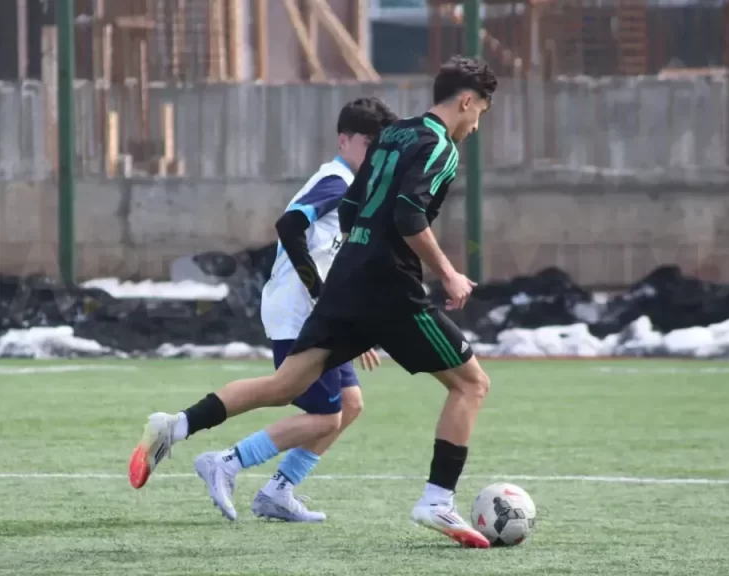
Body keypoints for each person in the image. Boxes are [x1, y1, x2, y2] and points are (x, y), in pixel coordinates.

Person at [129, 55, 497, 548]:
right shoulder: (440, 147)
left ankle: (175, 427)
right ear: (467, 101)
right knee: (471, 385)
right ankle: (437, 500)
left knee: (288, 385)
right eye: (481, 113)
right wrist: (449, 274)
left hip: (346, 283)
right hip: (390, 287)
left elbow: (350, 207)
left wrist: (356, 268)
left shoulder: (394, 135)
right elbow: (410, 215)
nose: (476, 125)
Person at [186, 97, 397, 523]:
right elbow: (288, 226)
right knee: (321, 415)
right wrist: (321, 295)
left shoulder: (354, 188)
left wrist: (351, 319)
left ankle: (278, 492)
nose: (375, 154)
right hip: (299, 315)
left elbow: (334, 258)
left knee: (350, 404)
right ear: (344, 140)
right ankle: (226, 461)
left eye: (381, 146)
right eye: (368, 143)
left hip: (321, 316)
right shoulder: (336, 182)